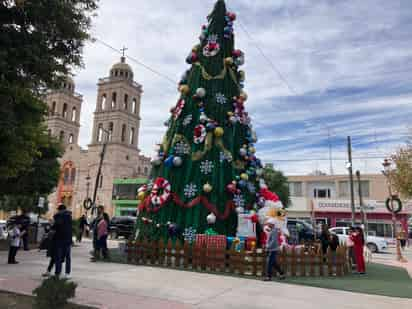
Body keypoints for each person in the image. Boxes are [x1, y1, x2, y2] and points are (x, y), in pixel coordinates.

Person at [53, 203, 73, 278]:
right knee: (67, 257)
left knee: (59, 257)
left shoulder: (59, 216)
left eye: (59, 210)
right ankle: (67, 273)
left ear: (61, 210)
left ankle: (58, 273)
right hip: (67, 239)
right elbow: (70, 229)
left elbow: (55, 226)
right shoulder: (69, 216)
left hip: (59, 239)